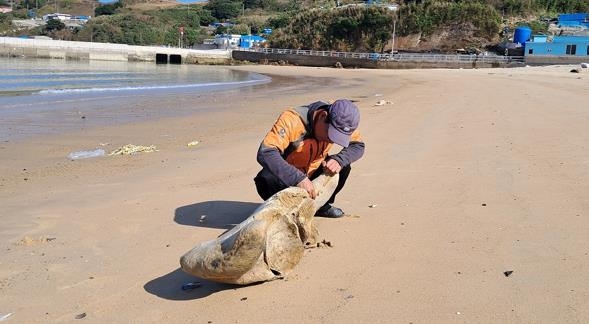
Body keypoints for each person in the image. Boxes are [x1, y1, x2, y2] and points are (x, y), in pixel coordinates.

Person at [254, 99, 365, 218]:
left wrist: (339, 160)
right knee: (266, 178)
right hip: (288, 179)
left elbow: (358, 145)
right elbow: (265, 152)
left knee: (343, 166)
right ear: (323, 116)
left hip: (314, 173)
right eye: (331, 135)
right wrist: (298, 179)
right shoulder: (292, 119)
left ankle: (321, 206)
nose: (332, 140)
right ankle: (287, 213)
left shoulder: (343, 120)